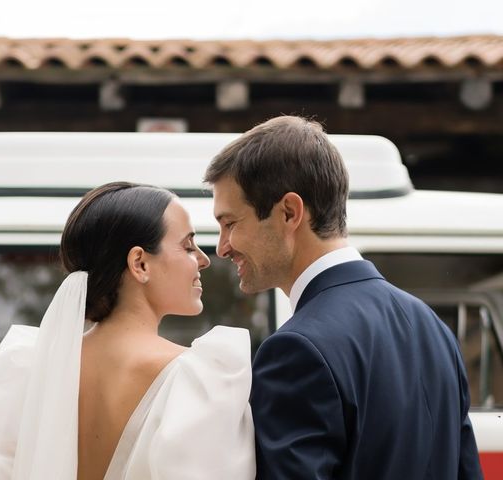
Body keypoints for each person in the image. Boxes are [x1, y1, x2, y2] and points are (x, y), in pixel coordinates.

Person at [204, 116, 483, 480]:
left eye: (230, 223)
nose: (223, 248)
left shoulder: (296, 350)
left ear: (289, 212)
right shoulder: (433, 328)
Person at [0, 182, 256, 480]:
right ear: (140, 264)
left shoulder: (26, 369)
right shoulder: (200, 380)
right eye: (188, 245)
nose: (203, 260)